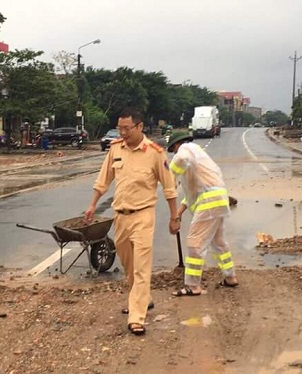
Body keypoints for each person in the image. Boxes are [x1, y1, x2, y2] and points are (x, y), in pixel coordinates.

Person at [85, 108, 180, 336]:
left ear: (140, 127)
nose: (123, 132)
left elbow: (169, 188)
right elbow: (103, 179)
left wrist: (174, 216)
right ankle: (143, 297)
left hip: (144, 214)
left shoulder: (155, 153)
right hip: (120, 216)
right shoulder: (116, 148)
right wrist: (92, 205)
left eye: (127, 128)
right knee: (128, 264)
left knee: (141, 266)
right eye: (120, 128)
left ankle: (136, 316)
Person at [166, 132, 239, 297]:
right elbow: (192, 195)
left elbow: (180, 160)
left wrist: (169, 177)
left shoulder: (186, 149)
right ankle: (230, 276)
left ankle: (193, 285)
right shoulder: (199, 154)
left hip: (209, 201)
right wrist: (178, 212)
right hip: (218, 199)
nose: (174, 153)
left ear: (177, 145)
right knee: (219, 242)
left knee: (195, 242)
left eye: (173, 150)